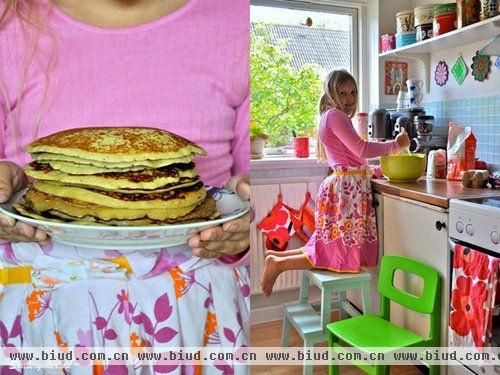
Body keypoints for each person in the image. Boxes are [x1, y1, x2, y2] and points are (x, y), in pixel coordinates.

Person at [0, 0, 250, 373]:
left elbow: (245, 190)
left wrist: (243, 224)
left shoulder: (239, 18)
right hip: (42, 320)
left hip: (194, 318)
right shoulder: (10, 23)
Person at [260, 70, 409, 297]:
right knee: (332, 250)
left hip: (345, 188)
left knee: (327, 245)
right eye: (343, 93)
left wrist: (374, 171)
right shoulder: (336, 116)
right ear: (331, 94)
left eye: (353, 92)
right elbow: (362, 149)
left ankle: (277, 258)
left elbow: (353, 159)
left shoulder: (332, 117)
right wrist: (395, 145)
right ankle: (278, 265)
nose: (350, 98)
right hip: (345, 192)